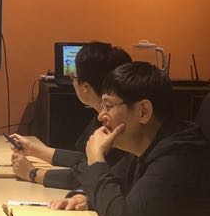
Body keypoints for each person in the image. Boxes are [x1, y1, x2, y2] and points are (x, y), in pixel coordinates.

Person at [75, 62, 210, 216]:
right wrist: (86, 198)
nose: (101, 116)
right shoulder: (147, 143)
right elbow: (117, 182)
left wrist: (96, 158)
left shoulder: (179, 153)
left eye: (108, 106)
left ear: (143, 111)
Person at [9, 43, 132, 205]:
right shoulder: (103, 117)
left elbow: (86, 173)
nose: (102, 115)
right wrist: (35, 150)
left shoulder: (120, 127)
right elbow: (85, 160)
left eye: (74, 77)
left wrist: (33, 173)